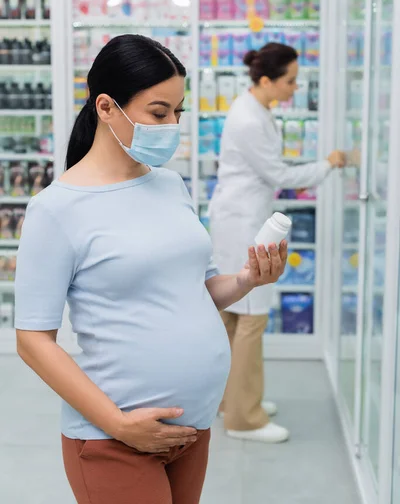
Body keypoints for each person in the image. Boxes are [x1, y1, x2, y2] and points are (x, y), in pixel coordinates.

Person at [14, 34, 288, 504]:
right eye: (159, 113)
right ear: (105, 107)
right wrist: (119, 424)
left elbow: (195, 290)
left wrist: (246, 281)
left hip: (191, 429)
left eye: (178, 112)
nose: (172, 125)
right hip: (113, 437)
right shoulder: (55, 210)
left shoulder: (169, 185)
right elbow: (33, 341)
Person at [209, 42, 346, 444]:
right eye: (289, 81)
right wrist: (329, 164)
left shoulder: (255, 108)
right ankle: (244, 419)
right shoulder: (250, 119)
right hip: (243, 223)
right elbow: (280, 175)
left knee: (234, 317)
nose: (294, 87)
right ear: (266, 80)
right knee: (251, 317)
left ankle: (230, 401)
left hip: (240, 217)